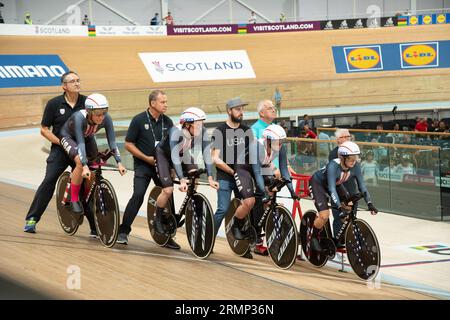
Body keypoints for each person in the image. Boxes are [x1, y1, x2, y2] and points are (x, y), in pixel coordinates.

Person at [24, 71, 86, 234]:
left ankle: (95, 227)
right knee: (49, 180)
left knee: (88, 181)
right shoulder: (54, 104)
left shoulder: (87, 102)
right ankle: (32, 218)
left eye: (78, 80)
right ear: (64, 86)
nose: (77, 83)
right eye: (72, 81)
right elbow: (44, 130)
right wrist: (62, 143)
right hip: (60, 149)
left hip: (80, 149)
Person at [117, 90, 179, 249]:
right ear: (152, 103)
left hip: (162, 166)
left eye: (166, 102)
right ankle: (123, 231)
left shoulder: (168, 121)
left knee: (168, 195)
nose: (166, 105)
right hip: (143, 165)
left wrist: (172, 167)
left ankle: (166, 235)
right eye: (162, 102)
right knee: (138, 195)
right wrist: (146, 158)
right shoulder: (139, 120)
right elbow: (128, 144)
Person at [152, 107, 219, 237]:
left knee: (195, 175)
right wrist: (182, 179)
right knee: (168, 190)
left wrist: (210, 176)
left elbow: (207, 154)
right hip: (164, 155)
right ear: (187, 125)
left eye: (202, 123)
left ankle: (190, 200)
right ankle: (157, 219)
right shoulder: (175, 132)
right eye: (198, 124)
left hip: (183, 153)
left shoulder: (202, 131)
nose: (201, 126)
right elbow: (174, 157)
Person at [211, 97, 262, 259]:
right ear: (229, 111)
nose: (241, 112)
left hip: (244, 175)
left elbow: (253, 156)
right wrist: (233, 172)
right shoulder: (220, 131)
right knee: (223, 209)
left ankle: (243, 246)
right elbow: (216, 159)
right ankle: (207, 240)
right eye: (238, 109)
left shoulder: (247, 130)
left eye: (242, 109)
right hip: (225, 176)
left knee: (247, 206)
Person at [59, 93, 126, 216]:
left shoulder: (107, 118)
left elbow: (112, 142)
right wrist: (84, 166)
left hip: (87, 137)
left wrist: (119, 163)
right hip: (69, 137)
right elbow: (80, 143)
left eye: (104, 113)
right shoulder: (79, 118)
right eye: (98, 114)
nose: (101, 117)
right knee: (80, 161)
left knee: (95, 164)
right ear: (89, 112)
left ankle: (86, 195)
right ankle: (74, 199)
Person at [309, 141, 378, 253]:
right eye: (351, 158)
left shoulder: (356, 166)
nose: (354, 160)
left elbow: (362, 186)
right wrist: (339, 207)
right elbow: (331, 189)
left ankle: (339, 238)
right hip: (318, 184)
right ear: (342, 158)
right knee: (324, 216)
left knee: (349, 206)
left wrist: (370, 204)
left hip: (336, 184)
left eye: (355, 157)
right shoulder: (333, 166)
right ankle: (313, 237)